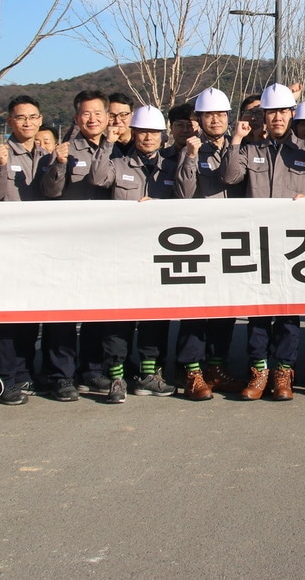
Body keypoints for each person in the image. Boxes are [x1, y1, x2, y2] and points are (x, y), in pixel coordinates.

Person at [222, 83, 305, 400]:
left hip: (293, 246)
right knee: (258, 312)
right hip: (258, 244)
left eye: (283, 111)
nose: (277, 117)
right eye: (271, 112)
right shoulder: (251, 151)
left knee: (287, 313)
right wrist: (237, 139)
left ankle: (283, 372)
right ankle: (258, 371)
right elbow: (229, 178)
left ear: (292, 114)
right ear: (263, 116)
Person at [38, 90, 116, 402]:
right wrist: (57, 163)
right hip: (67, 244)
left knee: (99, 310)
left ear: (108, 117)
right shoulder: (64, 151)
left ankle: (92, 370)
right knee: (63, 313)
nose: (92, 118)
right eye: (86, 113)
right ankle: (61, 375)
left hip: (104, 244)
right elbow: (50, 189)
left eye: (98, 113)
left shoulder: (119, 150)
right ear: (76, 118)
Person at [106, 105, 182, 402]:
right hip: (122, 252)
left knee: (154, 316)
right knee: (118, 316)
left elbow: (186, 195)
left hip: (159, 252)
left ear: (162, 136)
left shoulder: (172, 165)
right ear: (133, 133)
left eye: (153, 132)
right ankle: (116, 377)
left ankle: (148, 373)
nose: (148, 137)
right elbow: (99, 180)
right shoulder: (118, 162)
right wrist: (106, 143)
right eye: (142, 132)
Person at [171, 87, 242, 399]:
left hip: (231, 239)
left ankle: (216, 365)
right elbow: (183, 192)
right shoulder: (188, 149)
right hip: (198, 240)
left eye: (220, 115)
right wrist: (190, 155)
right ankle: (192, 371)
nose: (215, 120)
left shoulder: (240, 147)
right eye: (209, 115)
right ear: (198, 119)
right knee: (196, 309)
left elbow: (234, 180)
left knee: (224, 309)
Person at [0, 95, 49, 405]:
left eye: (32, 117)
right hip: (8, 247)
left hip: (38, 247)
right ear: (9, 121)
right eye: (20, 118)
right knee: (7, 315)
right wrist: (0, 167)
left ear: (40, 120)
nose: (27, 123)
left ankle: (23, 373)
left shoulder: (46, 155)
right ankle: (4, 378)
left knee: (30, 314)